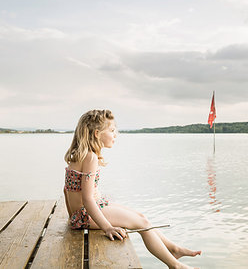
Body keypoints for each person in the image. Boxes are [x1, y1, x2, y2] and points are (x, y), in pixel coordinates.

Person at [63, 109, 201, 269]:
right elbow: (87, 199)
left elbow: (66, 189)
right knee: (141, 223)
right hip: (85, 215)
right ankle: (174, 265)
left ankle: (173, 249)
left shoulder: (80, 154)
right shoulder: (90, 157)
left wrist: (72, 215)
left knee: (140, 216)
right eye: (112, 130)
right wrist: (107, 227)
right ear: (96, 133)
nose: (116, 134)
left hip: (82, 214)